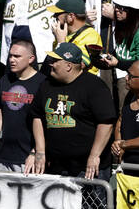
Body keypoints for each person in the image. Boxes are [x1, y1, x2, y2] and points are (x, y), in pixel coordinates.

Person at [35, 41, 115, 178]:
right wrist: (40, 152)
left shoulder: (95, 86)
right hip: (56, 166)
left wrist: (94, 156)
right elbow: (37, 116)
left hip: (87, 168)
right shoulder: (46, 84)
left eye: (55, 61)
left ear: (68, 66)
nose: (51, 64)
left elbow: (106, 123)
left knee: (91, 200)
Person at [0, 39, 46, 174]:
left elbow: (45, 123)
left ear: (31, 58)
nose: (12, 60)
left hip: (28, 160)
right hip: (3, 157)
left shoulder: (43, 83)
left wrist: (35, 153)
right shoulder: (5, 80)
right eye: (10, 56)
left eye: (17, 56)